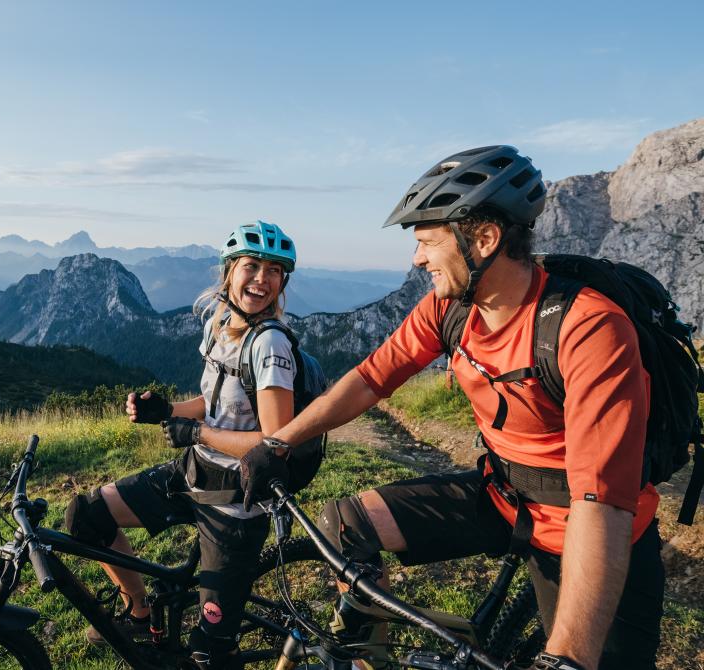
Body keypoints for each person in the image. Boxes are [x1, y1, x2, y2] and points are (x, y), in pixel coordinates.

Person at [239, 146, 664, 670]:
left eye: (426, 243)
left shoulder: (587, 328)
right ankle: (368, 655)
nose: (416, 259)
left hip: (584, 524)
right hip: (502, 494)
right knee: (348, 524)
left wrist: (568, 658)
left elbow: (603, 501)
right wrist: (279, 442)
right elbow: (372, 378)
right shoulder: (451, 307)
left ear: (483, 238)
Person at [64, 220, 303, 669]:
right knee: (88, 516)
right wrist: (170, 410)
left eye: (274, 271)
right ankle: (137, 611)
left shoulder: (269, 345)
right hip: (194, 473)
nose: (261, 279)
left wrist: (196, 433)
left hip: (237, 501)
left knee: (208, 656)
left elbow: (276, 442)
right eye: (251, 266)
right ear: (229, 272)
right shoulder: (221, 327)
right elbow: (212, 405)